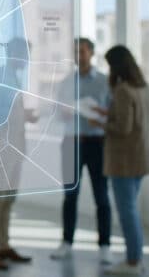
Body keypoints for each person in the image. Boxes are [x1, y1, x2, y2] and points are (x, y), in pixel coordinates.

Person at [89, 45, 149, 275]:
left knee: (127, 212)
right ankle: (136, 258)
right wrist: (108, 113)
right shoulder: (143, 88)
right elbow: (134, 120)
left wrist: (100, 123)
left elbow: (123, 128)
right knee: (131, 209)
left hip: (123, 161)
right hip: (140, 158)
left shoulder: (123, 90)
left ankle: (133, 261)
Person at [51, 38, 112, 263]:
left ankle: (105, 245)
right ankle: (67, 242)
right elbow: (56, 112)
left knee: (102, 196)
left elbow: (114, 115)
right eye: (75, 51)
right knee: (70, 195)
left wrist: (100, 116)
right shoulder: (66, 82)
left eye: (83, 51)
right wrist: (64, 112)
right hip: (71, 143)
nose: (79, 55)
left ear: (92, 53)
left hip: (97, 144)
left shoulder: (105, 82)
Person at [0, 38, 38, 270]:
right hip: (0, 146)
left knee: (8, 198)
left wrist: (24, 115)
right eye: (23, 54)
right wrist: (22, 114)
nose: (26, 60)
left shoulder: (15, 78)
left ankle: (3, 245)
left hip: (15, 146)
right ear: (13, 53)